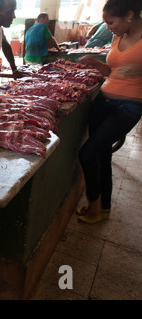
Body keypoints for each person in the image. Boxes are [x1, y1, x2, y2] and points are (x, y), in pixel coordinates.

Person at [76, 0, 142, 224]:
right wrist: (93, 62)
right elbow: (112, 71)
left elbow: (127, 74)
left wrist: (134, 73)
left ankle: (93, 203)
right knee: (102, 154)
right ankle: (105, 207)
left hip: (129, 107)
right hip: (103, 102)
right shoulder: (119, 36)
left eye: (111, 22)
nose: (108, 26)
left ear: (130, 15)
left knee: (87, 154)